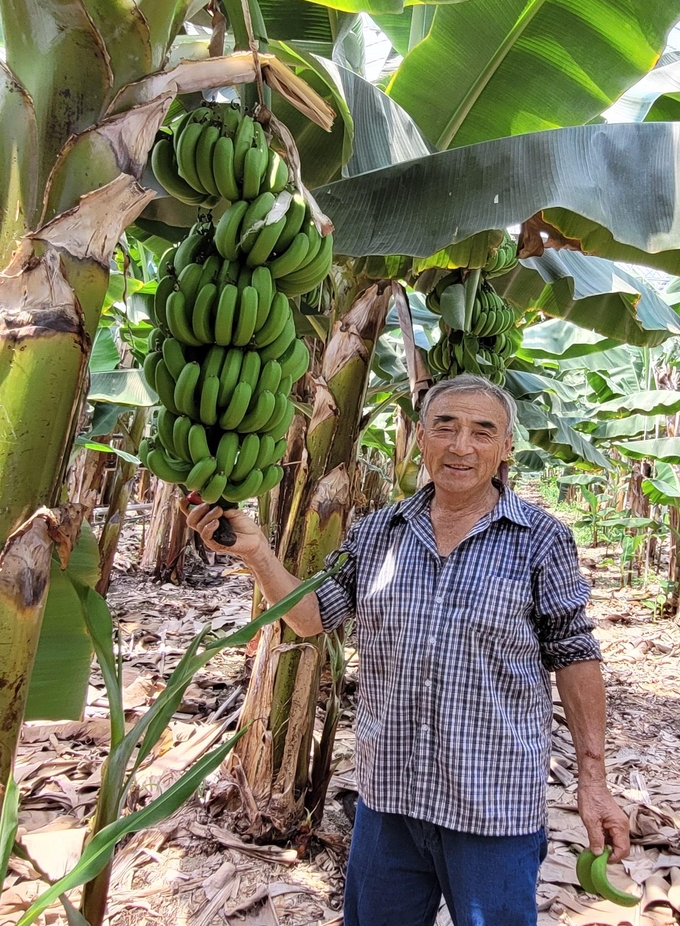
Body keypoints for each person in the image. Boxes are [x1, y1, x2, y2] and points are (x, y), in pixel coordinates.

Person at [185, 374, 630, 926]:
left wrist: (594, 780)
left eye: (481, 431)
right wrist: (257, 552)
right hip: (388, 801)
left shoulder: (541, 539)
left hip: (491, 807)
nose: (460, 446)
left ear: (506, 446)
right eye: (445, 427)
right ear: (421, 437)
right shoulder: (376, 534)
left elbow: (574, 652)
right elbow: (308, 617)